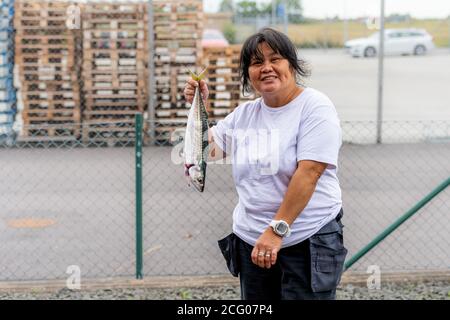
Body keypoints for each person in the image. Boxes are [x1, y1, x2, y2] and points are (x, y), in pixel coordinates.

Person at [184, 28, 347, 300]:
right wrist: (198, 107)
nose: (267, 68)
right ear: (248, 73)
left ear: (292, 65)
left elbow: (309, 173)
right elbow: (208, 151)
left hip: (304, 241)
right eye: (257, 62)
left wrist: (276, 231)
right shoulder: (245, 114)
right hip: (250, 242)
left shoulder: (315, 107)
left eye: (275, 59)